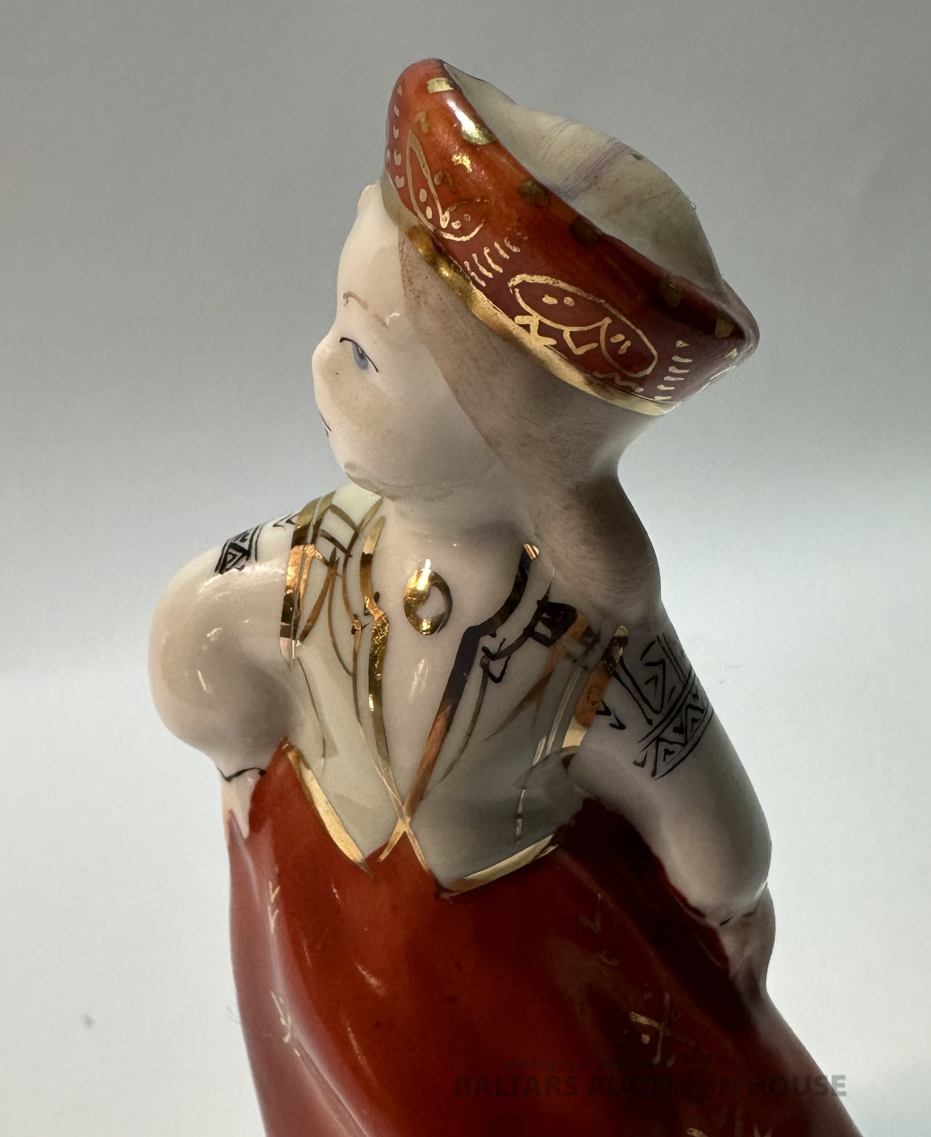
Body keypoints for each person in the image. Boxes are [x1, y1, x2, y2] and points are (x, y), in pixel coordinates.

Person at [150, 60, 861, 1136]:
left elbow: (713, 835)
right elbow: (723, 855)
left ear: (510, 440)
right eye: (337, 330)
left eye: (361, 354)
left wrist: (725, 896)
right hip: (337, 952)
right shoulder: (318, 562)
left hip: (499, 1016)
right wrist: (730, 905)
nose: (320, 362)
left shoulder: (589, 641)